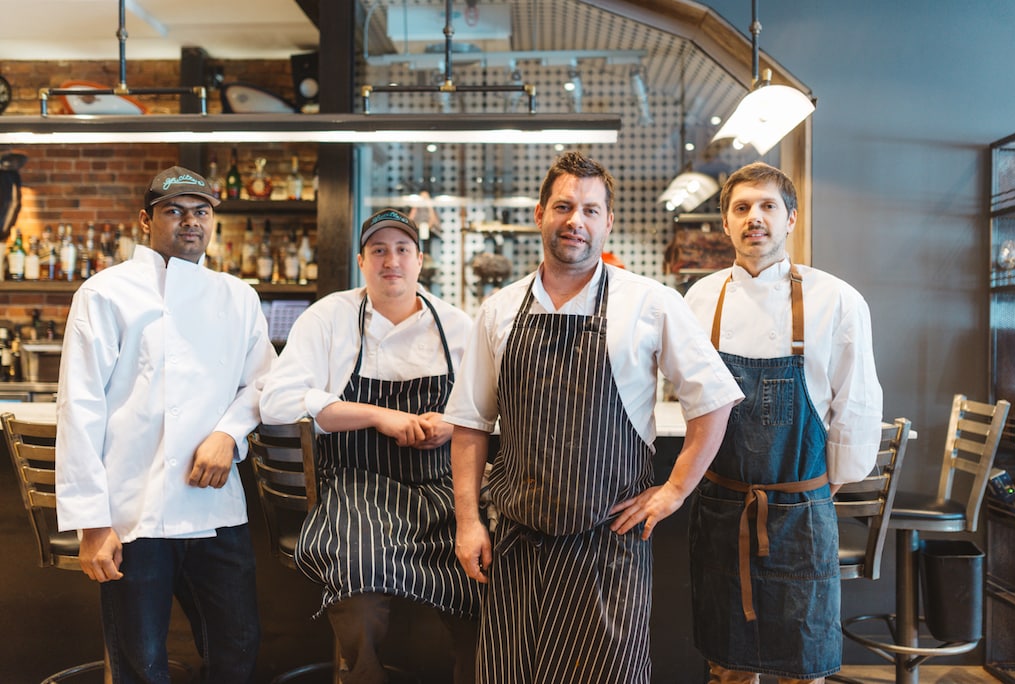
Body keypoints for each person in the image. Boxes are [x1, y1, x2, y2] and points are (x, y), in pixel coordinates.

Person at [444, 151, 744, 684]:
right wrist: (468, 522)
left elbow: (714, 400)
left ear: (608, 221)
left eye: (589, 210)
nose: (574, 221)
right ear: (540, 215)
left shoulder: (650, 303)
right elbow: (469, 424)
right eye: (563, 206)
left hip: (610, 543)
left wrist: (673, 490)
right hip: (517, 544)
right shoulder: (499, 310)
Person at [55, 165, 276, 683]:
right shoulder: (104, 293)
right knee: (141, 661)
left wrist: (228, 433)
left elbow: (265, 382)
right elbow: (80, 408)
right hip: (135, 510)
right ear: (145, 220)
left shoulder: (237, 296)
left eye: (201, 212)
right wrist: (93, 523)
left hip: (215, 506)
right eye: (174, 211)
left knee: (238, 647)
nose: (190, 222)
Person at [259, 207, 481, 684]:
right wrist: (378, 415)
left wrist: (451, 421)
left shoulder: (457, 326)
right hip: (360, 486)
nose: (391, 261)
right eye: (379, 250)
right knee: (358, 571)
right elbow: (276, 401)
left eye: (402, 250)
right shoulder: (329, 319)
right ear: (361, 261)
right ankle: (362, 674)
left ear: (420, 260)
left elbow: (492, 406)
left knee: (485, 569)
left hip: (442, 486)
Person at [683, 161, 884, 683]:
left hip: (801, 512)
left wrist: (818, 489)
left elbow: (856, 403)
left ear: (791, 218)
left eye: (768, 206)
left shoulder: (836, 299)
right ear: (725, 222)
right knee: (727, 668)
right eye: (742, 207)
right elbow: (691, 399)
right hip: (723, 508)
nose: (755, 218)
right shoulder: (699, 299)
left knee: (804, 668)